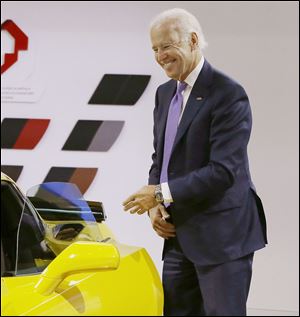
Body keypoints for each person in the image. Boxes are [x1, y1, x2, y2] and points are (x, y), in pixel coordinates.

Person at [123, 8, 267, 316]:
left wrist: (161, 193)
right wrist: (156, 206)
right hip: (179, 236)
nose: (160, 55)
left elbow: (224, 171)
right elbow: (160, 159)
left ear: (192, 40)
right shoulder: (164, 94)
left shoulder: (228, 93)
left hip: (222, 238)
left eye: (166, 46)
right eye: (155, 49)